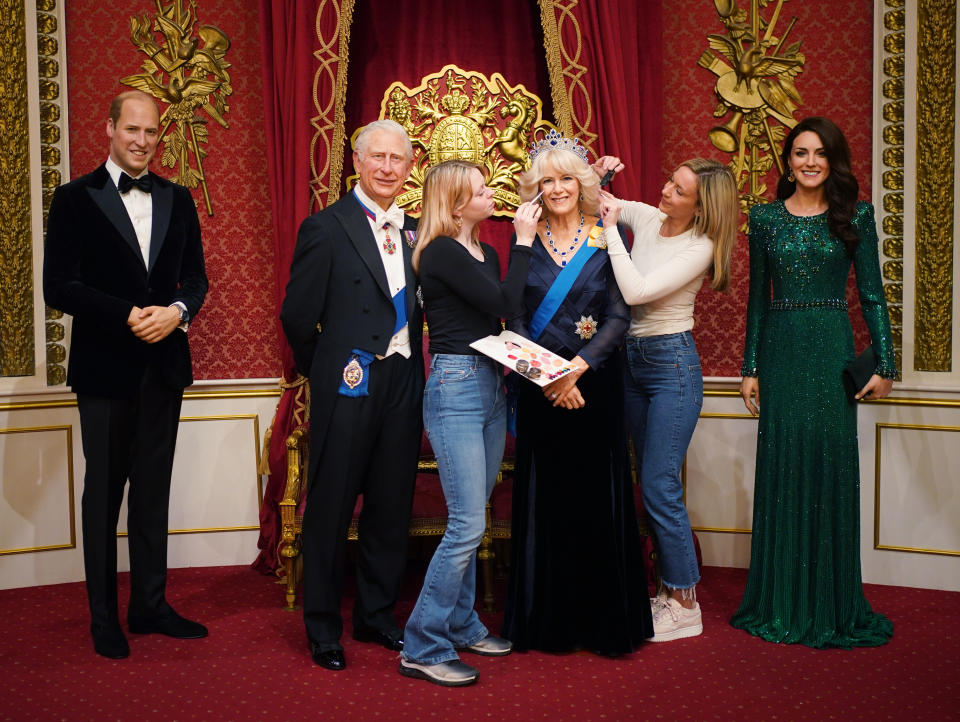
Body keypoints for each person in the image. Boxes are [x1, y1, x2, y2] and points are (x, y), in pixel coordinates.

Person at [43, 90, 209, 659]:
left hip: (164, 368)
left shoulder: (178, 198)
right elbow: (58, 286)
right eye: (133, 129)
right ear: (110, 127)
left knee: (152, 494)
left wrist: (177, 313)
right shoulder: (73, 199)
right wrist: (125, 314)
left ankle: (149, 605)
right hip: (104, 369)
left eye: (152, 133)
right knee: (103, 495)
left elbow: (196, 281)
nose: (142, 141)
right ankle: (103, 618)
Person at [732, 116, 896, 648]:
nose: (809, 162)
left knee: (828, 466)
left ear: (834, 161)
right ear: (788, 160)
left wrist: (886, 365)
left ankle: (829, 602)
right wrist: (750, 366)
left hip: (830, 349)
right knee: (783, 467)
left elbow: (871, 294)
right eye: (800, 153)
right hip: (780, 349)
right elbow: (758, 298)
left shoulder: (857, 216)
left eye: (819, 153)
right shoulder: (764, 219)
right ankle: (779, 601)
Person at [280, 119, 424, 671]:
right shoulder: (326, 226)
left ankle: (376, 614)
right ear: (357, 163)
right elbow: (296, 315)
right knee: (332, 506)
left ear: (409, 168)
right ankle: (322, 627)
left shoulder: (417, 230)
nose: (387, 168)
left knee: (390, 505)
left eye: (398, 159)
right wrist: (328, 368)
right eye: (377, 158)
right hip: (348, 380)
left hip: (404, 381)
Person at [502, 135, 653, 656]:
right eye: (548, 180)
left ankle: (602, 622)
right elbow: (513, 317)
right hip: (541, 390)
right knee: (550, 499)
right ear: (536, 188)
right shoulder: (524, 236)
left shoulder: (604, 236)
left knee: (595, 497)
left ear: (584, 183)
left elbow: (619, 315)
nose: (559, 188)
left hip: (596, 386)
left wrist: (577, 371)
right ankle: (548, 622)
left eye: (568, 178)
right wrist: (548, 379)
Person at [398, 160, 539, 686]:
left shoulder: (487, 249)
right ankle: (423, 643)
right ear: (457, 204)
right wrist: (526, 240)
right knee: (466, 525)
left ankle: (460, 624)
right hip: (455, 384)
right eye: (481, 190)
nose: (491, 194)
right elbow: (505, 302)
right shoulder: (438, 252)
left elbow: (497, 316)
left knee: (473, 513)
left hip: (490, 380)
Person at [594, 155, 738, 642]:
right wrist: (597, 175)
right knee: (648, 480)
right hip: (633, 362)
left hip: (672, 367)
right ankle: (666, 592)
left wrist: (611, 229)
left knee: (659, 484)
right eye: (670, 181)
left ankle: (684, 601)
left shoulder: (701, 246)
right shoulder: (651, 217)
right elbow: (601, 201)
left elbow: (636, 293)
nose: (665, 191)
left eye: (678, 190)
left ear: (700, 207)